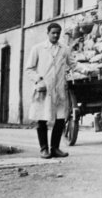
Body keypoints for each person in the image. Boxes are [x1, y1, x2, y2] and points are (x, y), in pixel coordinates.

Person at [26, 22, 77, 159]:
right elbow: (29, 69)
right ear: (47, 33)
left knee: (60, 119)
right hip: (44, 89)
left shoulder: (64, 49)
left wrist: (85, 70)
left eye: (58, 33)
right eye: (53, 33)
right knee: (42, 119)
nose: (55, 35)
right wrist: (38, 79)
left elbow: (73, 64)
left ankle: (55, 148)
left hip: (59, 89)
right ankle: (44, 149)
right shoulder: (38, 49)